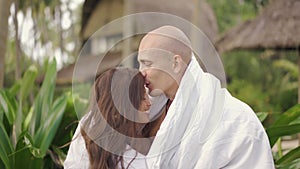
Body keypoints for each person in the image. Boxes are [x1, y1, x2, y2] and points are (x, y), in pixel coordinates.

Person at [137, 25, 275, 168]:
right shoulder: (150, 111)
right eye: (139, 64)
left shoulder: (234, 118)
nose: (141, 72)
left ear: (175, 63)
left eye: (147, 64)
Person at [65, 68, 156, 169]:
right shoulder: (89, 128)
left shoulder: (91, 124)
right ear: (125, 104)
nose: (149, 103)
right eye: (143, 97)